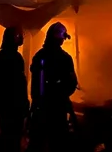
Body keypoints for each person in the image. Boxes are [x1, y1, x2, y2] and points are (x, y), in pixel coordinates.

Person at [28, 22, 78, 152]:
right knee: (58, 142)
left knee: (37, 143)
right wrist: (62, 95)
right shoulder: (65, 58)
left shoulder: (39, 56)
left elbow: (34, 83)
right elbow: (72, 83)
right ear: (59, 38)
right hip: (58, 108)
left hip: (40, 106)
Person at [0, 26, 29, 152]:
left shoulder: (0, 57)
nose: (21, 37)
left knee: (7, 136)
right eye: (18, 35)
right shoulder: (15, 58)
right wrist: (24, 104)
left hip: (4, 106)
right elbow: (19, 84)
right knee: (12, 138)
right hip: (14, 107)